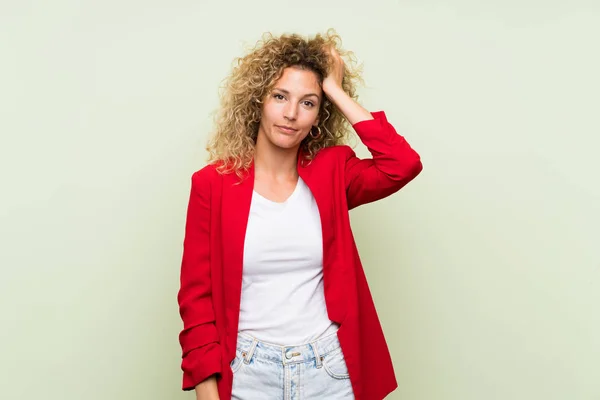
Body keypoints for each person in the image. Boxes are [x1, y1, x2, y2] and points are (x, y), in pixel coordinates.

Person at [177, 29, 423, 400]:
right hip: (247, 372)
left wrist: (336, 91)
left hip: (329, 370)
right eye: (280, 97)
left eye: (308, 103)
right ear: (258, 99)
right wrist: (207, 392)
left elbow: (401, 165)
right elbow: (197, 299)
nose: (291, 114)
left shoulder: (333, 171)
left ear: (319, 115)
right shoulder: (213, 184)